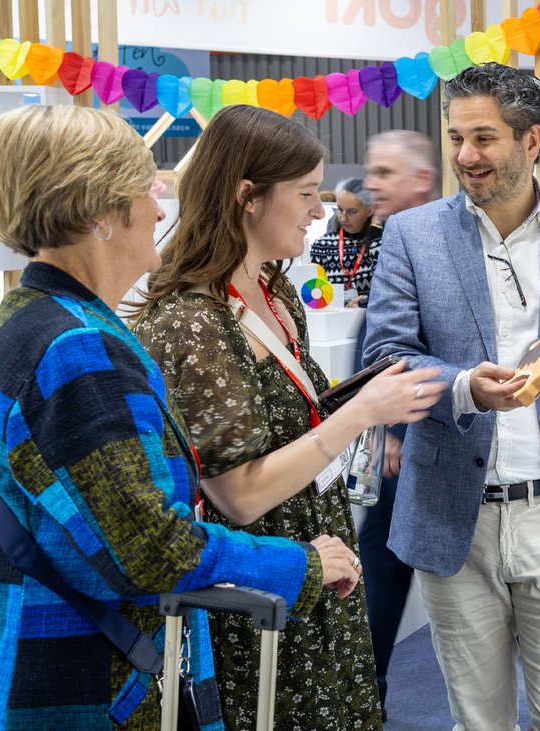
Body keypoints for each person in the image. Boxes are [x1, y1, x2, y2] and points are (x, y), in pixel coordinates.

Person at [0, 104, 357, 730]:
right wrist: (299, 564)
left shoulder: (25, 320)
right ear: (96, 212)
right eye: (144, 191)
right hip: (62, 686)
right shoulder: (77, 351)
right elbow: (149, 549)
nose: (159, 212)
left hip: (1, 659)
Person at [133, 104, 445, 731]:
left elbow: (295, 414)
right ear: (248, 196)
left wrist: (371, 393)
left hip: (317, 553)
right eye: (305, 193)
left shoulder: (274, 290)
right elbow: (239, 496)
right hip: (262, 581)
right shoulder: (194, 321)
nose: (319, 211)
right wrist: (362, 413)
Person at [364, 63, 540, 730]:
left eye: (485, 137)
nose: (466, 156)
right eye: (456, 137)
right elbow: (385, 356)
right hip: (454, 520)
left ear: (533, 140)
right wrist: (463, 387)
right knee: (479, 721)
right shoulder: (413, 235)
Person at [355, 129, 439, 718]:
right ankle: (368, 693)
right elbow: (383, 343)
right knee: (378, 566)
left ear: (421, 179)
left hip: (422, 441)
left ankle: (368, 693)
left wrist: (396, 430)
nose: (371, 185)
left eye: (385, 173)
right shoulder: (400, 241)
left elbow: (438, 351)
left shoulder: (440, 245)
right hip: (394, 437)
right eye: (371, 172)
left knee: (381, 568)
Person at [310, 177, 382, 308]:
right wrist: (342, 307)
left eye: (352, 212)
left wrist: (376, 232)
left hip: (371, 317)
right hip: (335, 318)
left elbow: (386, 285)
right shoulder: (322, 245)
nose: (343, 218)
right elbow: (313, 296)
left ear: (370, 211)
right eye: (339, 209)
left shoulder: (381, 242)